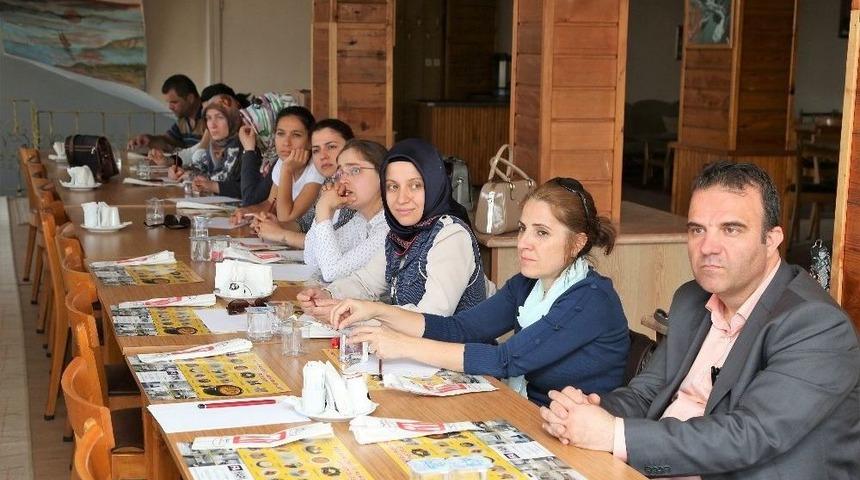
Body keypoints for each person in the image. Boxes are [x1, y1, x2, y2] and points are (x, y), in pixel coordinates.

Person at [540, 162, 860, 479]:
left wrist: (613, 434)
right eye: (697, 230)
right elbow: (647, 392)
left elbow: (748, 436)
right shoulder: (691, 299)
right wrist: (591, 412)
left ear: (772, 238)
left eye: (731, 229)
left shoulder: (816, 325)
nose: (707, 247)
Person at [328, 178, 629, 406]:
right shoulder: (529, 284)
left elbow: (505, 360)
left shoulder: (590, 299)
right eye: (523, 229)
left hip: (573, 434)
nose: (523, 242)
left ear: (577, 243)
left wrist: (402, 345)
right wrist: (376, 310)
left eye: (542, 233)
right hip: (525, 412)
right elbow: (461, 328)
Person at [297, 138, 489, 318]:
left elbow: (432, 317)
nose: (402, 199)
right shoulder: (399, 236)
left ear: (434, 185)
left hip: (459, 351)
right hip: (410, 349)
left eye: (415, 185)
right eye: (393, 187)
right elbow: (365, 282)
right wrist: (327, 294)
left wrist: (371, 312)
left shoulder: (450, 235)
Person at [250, 119, 357, 244]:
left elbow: (336, 244)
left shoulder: (356, 188)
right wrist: (273, 224)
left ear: (351, 147)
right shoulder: (328, 183)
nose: (323, 156)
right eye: (316, 150)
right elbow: (304, 224)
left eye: (331, 147)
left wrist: (282, 235)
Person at [301, 140, 389, 282]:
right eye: (341, 173)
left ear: (383, 174)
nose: (343, 181)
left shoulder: (388, 229)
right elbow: (311, 259)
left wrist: (323, 210)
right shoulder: (360, 220)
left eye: (355, 170)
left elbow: (332, 272)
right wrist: (330, 211)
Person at [235, 106, 318, 207]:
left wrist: (249, 151)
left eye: (296, 135)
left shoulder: (316, 168)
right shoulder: (280, 162)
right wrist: (247, 212)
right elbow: (271, 204)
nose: (286, 143)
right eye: (281, 134)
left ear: (310, 141)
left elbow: (287, 216)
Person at [166, 101, 243, 197]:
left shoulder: (241, 146)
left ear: (232, 120)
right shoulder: (213, 146)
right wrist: (180, 172)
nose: (212, 125)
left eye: (220, 117)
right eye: (209, 118)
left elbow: (226, 180)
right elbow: (200, 168)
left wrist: (192, 177)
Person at [128, 74, 204, 151]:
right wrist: (149, 140)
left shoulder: (209, 116)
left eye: (174, 102)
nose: (170, 107)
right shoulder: (184, 118)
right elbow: (168, 141)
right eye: (169, 103)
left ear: (190, 98)